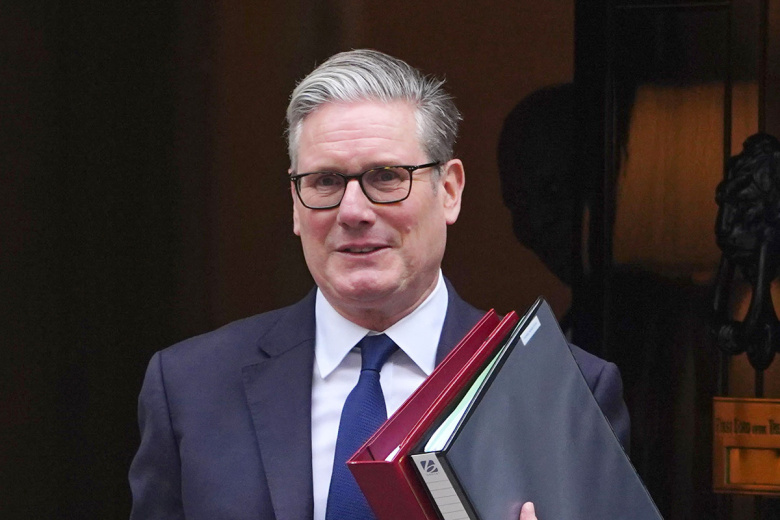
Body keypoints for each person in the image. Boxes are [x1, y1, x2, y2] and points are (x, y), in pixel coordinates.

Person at [129, 49, 629, 520]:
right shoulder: (191, 387)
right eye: (325, 181)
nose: (353, 211)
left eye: (387, 176)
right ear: (295, 204)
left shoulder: (565, 394)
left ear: (449, 190)